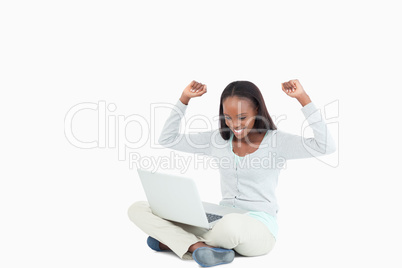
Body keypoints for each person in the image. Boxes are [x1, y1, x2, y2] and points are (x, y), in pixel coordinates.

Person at [127, 79, 336, 267]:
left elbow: (325, 146)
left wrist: (303, 99)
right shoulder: (217, 141)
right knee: (139, 208)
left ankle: (176, 241)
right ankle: (200, 248)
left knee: (229, 227)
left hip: (257, 227)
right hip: (218, 219)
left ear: (257, 110)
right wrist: (184, 99)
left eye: (242, 117)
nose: (234, 124)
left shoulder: (277, 142)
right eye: (228, 117)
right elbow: (167, 139)